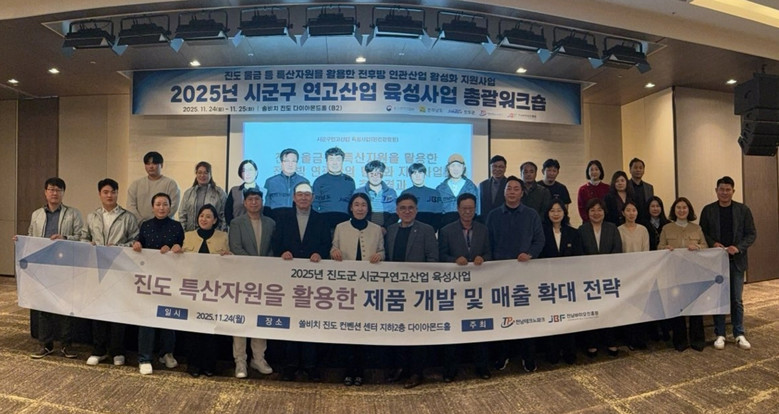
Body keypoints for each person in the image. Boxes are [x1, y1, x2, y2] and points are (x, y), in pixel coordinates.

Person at [272, 182, 331, 381]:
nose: (303, 198)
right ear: (293, 198)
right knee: (290, 321)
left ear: (313, 198)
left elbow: (326, 244)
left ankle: (310, 365)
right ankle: (290, 365)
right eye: (300, 194)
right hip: (289, 279)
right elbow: (276, 242)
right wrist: (282, 252)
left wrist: (319, 253)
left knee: (310, 321)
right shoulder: (283, 218)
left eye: (307, 194)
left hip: (313, 280)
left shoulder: (321, 219)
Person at [486, 176, 545, 373]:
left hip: (525, 274)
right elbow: (488, 243)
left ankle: (528, 357)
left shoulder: (531, 214)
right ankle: (502, 355)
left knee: (526, 316)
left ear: (522, 193)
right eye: (508, 188)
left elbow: (539, 240)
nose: (512, 192)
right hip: (500, 275)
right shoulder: (493, 215)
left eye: (516, 189)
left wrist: (530, 254)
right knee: (502, 315)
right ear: (504, 192)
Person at [22, 177, 83, 360]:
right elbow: (31, 236)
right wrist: (21, 242)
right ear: (45, 192)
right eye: (51, 189)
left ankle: (66, 345)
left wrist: (65, 237)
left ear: (63, 193)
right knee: (43, 306)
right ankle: (45, 345)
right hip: (43, 266)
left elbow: (82, 237)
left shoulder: (73, 214)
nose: (54, 193)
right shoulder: (37, 214)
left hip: (64, 265)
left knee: (65, 307)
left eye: (58, 190)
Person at [81, 178, 139, 367]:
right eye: (106, 192)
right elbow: (84, 237)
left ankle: (117, 351)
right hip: (97, 268)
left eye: (113, 192)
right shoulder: (92, 216)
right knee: (97, 310)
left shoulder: (127, 217)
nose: (109, 195)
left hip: (119, 269)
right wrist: (88, 244)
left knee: (117, 310)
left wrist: (119, 247)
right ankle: (99, 350)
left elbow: (135, 241)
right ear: (100, 194)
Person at [384, 193, 439, 389]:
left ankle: (416, 372)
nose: (407, 211)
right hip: (396, 292)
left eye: (410, 208)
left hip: (418, 293)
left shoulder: (426, 230)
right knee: (398, 330)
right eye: (403, 208)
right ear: (397, 211)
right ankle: (401, 368)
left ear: (416, 210)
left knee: (416, 332)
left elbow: (433, 259)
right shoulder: (391, 230)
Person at [331, 193, 385, 386]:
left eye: (363, 205)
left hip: (368, 288)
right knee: (347, 329)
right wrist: (334, 252)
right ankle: (348, 370)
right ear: (351, 208)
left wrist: (380, 256)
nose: (360, 208)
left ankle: (360, 370)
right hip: (346, 288)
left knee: (363, 329)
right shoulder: (340, 227)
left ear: (368, 208)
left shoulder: (376, 229)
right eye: (356, 204)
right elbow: (333, 248)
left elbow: (382, 251)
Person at [438, 193, 492, 381]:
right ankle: (450, 369)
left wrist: (483, 258)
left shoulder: (484, 230)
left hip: (478, 288)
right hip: (454, 289)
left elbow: (490, 253)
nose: (468, 212)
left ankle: (482, 367)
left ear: (475, 209)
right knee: (453, 328)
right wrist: (454, 260)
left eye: (471, 208)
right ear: (458, 209)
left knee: (479, 327)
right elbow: (440, 256)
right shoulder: (446, 230)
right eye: (464, 208)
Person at [700, 176, 756, 350]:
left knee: (736, 300)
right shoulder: (708, 210)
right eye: (721, 189)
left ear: (733, 191)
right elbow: (702, 233)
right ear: (716, 191)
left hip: (736, 261)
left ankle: (739, 333)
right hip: (716, 263)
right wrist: (713, 243)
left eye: (728, 189)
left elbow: (751, 234)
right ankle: (720, 334)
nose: (724, 192)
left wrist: (738, 248)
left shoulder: (743, 210)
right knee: (718, 299)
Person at [131, 192, 185, 375]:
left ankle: (166, 353)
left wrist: (177, 248)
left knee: (168, 316)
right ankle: (144, 358)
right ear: (152, 207)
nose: (161, 208)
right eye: (158, 204)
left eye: (165, 204)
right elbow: (139, 244)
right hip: (148, 280)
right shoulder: (146, 226)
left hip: (170, 280)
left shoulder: (177, 226)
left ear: (170, 207)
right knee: (147, 317)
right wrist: (137, 245)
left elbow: (182, 248)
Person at [228, 187, 275, 379]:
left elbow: (273, 248)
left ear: (262, 202)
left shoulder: (271, 223)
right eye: (250, 199)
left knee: (260, 319)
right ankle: (240, 361)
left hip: (264, 278)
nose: (254, 202)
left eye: (257, 199)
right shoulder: (236, 223)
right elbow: (235, 247)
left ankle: (258, 358)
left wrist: (263, 265)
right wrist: (255, 264)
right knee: (240, 319)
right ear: (245, 203)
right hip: (243, 277)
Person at [179, 204, 230, 377]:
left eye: (208, 216)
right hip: (192, 290)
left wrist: (230, 257)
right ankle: (193, 364)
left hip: (214, 290)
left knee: (210, 329)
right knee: (193, 328)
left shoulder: (223, 237)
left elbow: (232, 262)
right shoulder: (188, 236)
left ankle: (209, 365)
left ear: (215, 220)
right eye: (201, 216)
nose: (204, 219)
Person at [658, 197, 708, 352]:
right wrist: (665, 249)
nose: (681, 210)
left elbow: (705, 246)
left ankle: (697, 340)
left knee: (695, 307)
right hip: (674, 274)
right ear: (674, 210)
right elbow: (659, 247)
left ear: (689, 210)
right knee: (677, 307)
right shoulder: (667, 228)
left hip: (693, 274)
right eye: (678, 207)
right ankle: (680, 341)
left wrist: (698, 247)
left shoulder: (696, 228)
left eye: (684, 207)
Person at [539, 198, 582, 365]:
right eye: (552, 211)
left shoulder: (573, 233)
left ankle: (570, 351)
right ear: (547, 213)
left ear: (564, 213)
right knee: (552, 318)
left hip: (568, 285)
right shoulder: (541, 233)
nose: (556, 214)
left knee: (568, 318)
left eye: (559, 210)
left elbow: (579, 258)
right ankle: (552, 352)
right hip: (548, 284)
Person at [578, 198, 622, 357]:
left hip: (608, 276)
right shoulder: (582, 230)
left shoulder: (612, 228)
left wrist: (606, 267)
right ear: (587, 213)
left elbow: (617, 249)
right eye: (592, 210)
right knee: (592, 310)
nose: (596, 213)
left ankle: (610, 341)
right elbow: (580, 253)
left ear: (604, 212)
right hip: (589, 278)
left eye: (599, 210)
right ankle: (592, 343)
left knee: (608, 309)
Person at [617, 200, 650, 350]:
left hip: (641, 273)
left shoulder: (643, 230)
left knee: (641, 306)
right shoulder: (618, 230)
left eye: (634, 210)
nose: (631, 213)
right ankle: (629, 338)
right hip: (625, 275)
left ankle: (641, 338)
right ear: (623, 213)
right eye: (628, 210)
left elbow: (646, 251)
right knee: (627, 307)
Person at [645, 195, 672, 341]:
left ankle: (666, 329)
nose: (655, 209)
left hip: (665, 265)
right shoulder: (643, 224)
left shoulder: (668, 224)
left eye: (658, 206)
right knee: (651, 297)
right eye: (652, 206)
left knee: (664, 297)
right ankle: (652, 331)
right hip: (649, 265)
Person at [127, 151, 180, 223]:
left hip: (165, 225)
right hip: (140, 225)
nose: (151, 166)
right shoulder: (136, 184)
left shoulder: (171, 184)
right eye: (148, 164)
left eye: (154, 163)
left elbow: (173, 207)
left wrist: (157, 222)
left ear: (161, 165)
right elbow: (131, 206)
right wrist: (143, 223)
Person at [312, 147, 355, 231]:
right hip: (323, 222)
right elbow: (314, 205)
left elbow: (353, 204)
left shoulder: (350, 181)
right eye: (331, 159)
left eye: (338, 159)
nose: (335, 163)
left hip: (345, 223)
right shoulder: (319, 181)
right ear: (326, 161)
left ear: (342, 161)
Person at [179, 161, 227, 232]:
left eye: (206, 173)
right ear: (196, 174)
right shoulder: (188, 193)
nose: (202, 175)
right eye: (199, 172)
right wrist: (183, 233)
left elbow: (224, 215)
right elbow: (182, 214)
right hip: (192, 233)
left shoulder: (219, 193)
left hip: (214, 234)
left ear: (210, 174)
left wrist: (222, 233)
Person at [437, 153, 479, 227]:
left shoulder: (471, 187)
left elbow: (477, 210)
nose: (456, 169)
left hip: (467, 226)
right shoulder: (440, 189)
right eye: (453, 166)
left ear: (463, 168)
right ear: (448, 168)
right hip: (446, 227)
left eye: (459, 166)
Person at [263, 148, 309, 215]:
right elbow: (266, 207)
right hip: (275, 220)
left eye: (293, 161)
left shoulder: (304, 182)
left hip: (298, 220)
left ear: (297, 163)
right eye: (287, 161)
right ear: (281, 163)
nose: (290, 164)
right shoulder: (270, 182)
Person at [353, 160, 397, 228]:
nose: (375, 177)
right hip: (364, 229)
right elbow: (355, 213)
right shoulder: (359, 192)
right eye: (372, 174)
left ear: (382, 174)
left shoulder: (391, 192)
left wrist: (385, 228)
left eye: (378, 174)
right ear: (367, 174)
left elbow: (395, 214)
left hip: (387, 230)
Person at [400, 163, 442, 230]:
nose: (417, 176)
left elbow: (438, 215)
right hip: (410, 229)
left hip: (431, 230)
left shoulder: (435, 193)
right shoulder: (405, 194)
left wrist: (433, 230)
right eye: (414, 173)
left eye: (420, 173)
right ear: (410, 176)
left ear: (424, 175)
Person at [225, 159, 260, 226]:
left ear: (256, 172)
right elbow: (228, 212)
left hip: (258, 228)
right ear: (240, 174)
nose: (247, 173)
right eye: (244, 171)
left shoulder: (264, 191)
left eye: (250, 170)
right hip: (237, 228)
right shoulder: (234, 191)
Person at [629, 158, 654, 226]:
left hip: (646, 221)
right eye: (635, 167)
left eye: (640, 168)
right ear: (630, 170)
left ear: (643, 170)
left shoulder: (649, 187)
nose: (638, 170)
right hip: (630, 220)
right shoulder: (626, 185)